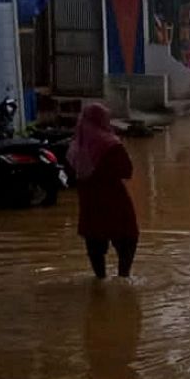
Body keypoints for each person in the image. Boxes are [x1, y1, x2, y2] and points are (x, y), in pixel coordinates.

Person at [67, 103, 139, 278]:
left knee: (94, 242)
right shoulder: (110, 144)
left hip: (89, 202)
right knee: (127, 238)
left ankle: (99, 280)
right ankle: (124, 277)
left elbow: (70, 175)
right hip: (114, 199)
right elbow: (127, 171)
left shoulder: (76, 146)